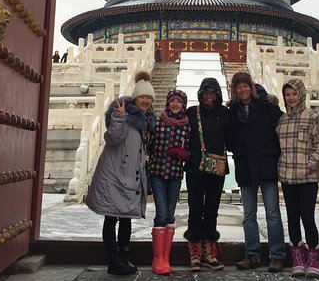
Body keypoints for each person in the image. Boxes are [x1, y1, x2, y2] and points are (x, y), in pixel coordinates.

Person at [85, 71, 155, 275]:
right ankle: (113, 260)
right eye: (142, 97)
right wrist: (119, 116)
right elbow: (113, 138)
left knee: (126, 218)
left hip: (130, 177)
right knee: (112, 218)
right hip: (114, 176)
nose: (146, 101)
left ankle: (124, 257)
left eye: (149, 98)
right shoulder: (124, 115)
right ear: (135, 97)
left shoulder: (146, 121)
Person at [228, 72, 285, 273]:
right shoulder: (232, 110)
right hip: (245, 167)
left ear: (251, 86)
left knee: (273, 214)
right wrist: (239, 152)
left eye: (245, 86)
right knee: (249, 214)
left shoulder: (268, 106)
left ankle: (277, 255)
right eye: (238, 87)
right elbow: (229, 137)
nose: (242, 90)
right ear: (234, 90)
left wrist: (272, 153)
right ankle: (251, 254)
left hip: (266, 165)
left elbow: (282, 130)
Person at [277, 78, 319, 278]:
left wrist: (312, 164)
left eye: (294, 94)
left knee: (307, 217)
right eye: (287, 94)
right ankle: (297, 259)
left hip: (307, 177)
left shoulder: (314, 117)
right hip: (288, 176)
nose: (291, 98)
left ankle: (314, 258)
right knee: (292, 218)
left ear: (301, 94)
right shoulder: (282, 120)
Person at [183, 77, 233, 271]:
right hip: (195, 168)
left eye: (212, 93)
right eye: (206, 93)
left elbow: (232, 138)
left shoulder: (225, 113)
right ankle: (194, 251)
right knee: (195, 208)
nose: (209, 97)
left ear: (218, 95)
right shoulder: (191, 113)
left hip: (217, 169)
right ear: (200, 94)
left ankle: (209, 251)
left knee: (212, 209)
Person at [148, 89, 191, 275]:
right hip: (157, 172)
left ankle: (165, 258)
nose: (175, 104)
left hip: (174, 174)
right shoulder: (158, 122)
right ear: (168, 102)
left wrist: (185, 154)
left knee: (171, 215)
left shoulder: (186, 127)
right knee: (161, 214)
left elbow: (189, 149)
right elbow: (148, 145)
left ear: (183, 105)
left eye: (179, 102)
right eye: (172, 101)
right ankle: (157, 259)